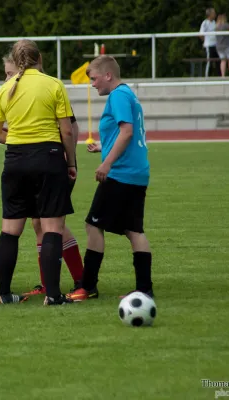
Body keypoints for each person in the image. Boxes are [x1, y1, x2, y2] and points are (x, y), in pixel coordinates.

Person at [0, 39, 77, 305]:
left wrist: (18, 141)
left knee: (10, 230)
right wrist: (70, 162)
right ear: (40, 58)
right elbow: (68, 130)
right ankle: (52, 294)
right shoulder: (53, 84)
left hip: (14, 161)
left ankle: (4, 294)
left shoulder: (5, 89)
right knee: (51, 228)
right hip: (48, 159)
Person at [67, 56, 154, 302]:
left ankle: (87, 286)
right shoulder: (127, 94)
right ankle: (144, 289)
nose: (92, 84)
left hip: (121, 173)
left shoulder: (117, 96)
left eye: (93, 79)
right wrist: (103, 148)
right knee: (133, 229)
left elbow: (126, 132)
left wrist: (106, 163)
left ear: (108, 75)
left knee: (93, 225)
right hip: (137, 172)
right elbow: (125, 133)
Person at [199, 8, 218, 77]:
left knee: (218, 61)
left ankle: (220, 76)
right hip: (209, 45)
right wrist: (205, 41)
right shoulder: (205, 23)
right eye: (214, 13)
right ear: (210, 15)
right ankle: (207, 77)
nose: (215, 15)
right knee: (209, 62)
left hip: (216, 45)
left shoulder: (214, 22)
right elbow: (200, 34)